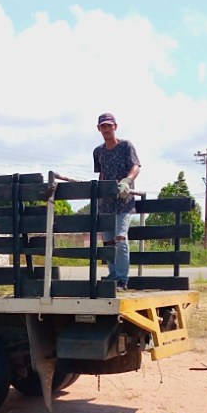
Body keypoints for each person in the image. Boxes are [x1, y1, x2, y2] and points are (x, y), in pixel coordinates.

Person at [55, 113, 140, 289]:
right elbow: (101, 173)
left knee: (120, 238)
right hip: (106, 203)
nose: (106, 129)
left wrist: (127, 181)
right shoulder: (98, 151)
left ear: (115, 126)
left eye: (109, 125)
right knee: (108, 242)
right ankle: (113, 275)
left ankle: (122, 279)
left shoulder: (126, 146)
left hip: (124, 202)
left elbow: (135, 166)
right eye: (103, 126)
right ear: (99, 128)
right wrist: (101, 191)